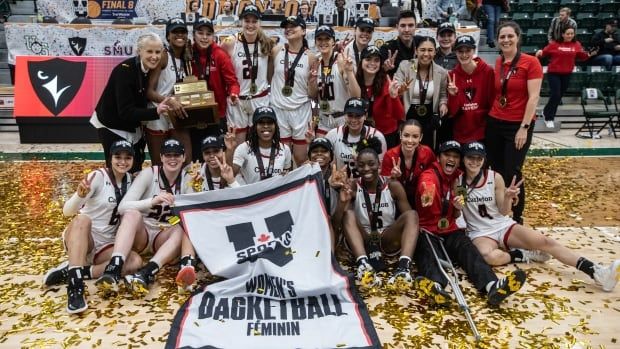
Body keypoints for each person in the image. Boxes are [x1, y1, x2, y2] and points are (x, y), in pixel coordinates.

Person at [459, 141, 620, 292]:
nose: (474, 162)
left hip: (502, 225)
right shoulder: (459, 182)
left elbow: (503, 211)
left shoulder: (495, 178)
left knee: (545, 241)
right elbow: (458, 211)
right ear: (464, 159)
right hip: (480, 232)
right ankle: (520, 255)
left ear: (484, 159)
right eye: (470, 157)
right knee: (488, 257)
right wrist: (457, 207)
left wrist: (508, 197)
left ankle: (597, 271)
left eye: (478, 158)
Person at [414, 140, 526, 306]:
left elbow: (459, 208)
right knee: (427, 252)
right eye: (447, 155)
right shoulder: (430, 174)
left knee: (468, 248)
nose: (451, 159)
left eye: (455, 156)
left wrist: (458, 208)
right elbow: (426, 184)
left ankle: (492, 286)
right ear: (439, 158)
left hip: (450, 230)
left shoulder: (458, 178)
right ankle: (436, 286)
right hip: (429, 230)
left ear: (459, 161)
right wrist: (427, 193)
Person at [43, 140, 141, 314]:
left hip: (105, 245)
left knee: (135, 261)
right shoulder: (97, 177)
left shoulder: (131, 182)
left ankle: (76, 270)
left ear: (133, 160)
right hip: (83, 237)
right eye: (118, 157)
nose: (122, 161)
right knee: (83, 219)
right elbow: (67, 211)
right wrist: (79, 197)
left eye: (127, 158)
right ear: (110, 158)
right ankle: (75, 288)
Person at [95, 139, 186, 297]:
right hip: (141, 233)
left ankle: (148, 271)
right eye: (168, 155)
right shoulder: (149, 174)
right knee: (131, 213)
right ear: (161, 157)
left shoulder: (189, 178)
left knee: (181, 227)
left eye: (177, 155)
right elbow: (123, 207)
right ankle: (114, 268)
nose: (173, 159)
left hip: (163, 236)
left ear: (184, 157)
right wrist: (152, 201)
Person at [335, 137, 420, 287]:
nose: (366, 169)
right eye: (361, 165)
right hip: (364, 238)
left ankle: (403, 268)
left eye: (371, 164)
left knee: (412, 215)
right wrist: (342, 203)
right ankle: (364, 266)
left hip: (387, 237)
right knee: (348, 214)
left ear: (379, 165)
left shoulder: (392, 185)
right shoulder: (353, 186)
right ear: (357, 168)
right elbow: (337, 224)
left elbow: (410, 222)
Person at [486, 21, 542, 225]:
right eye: (502, 36)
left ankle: (517, 217)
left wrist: (524, 128)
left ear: (518, 37)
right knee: (496, 169)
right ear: (498, 40)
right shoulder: (499, 62)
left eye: (510, 36)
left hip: (517, 125)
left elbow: (534, 98)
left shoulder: (530, 62)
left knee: (513, 171)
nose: (506, 40)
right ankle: (501, 211)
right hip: (495, 122)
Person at [90, 32, 170, 173]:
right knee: (119, 169)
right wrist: (156, 111)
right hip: (112, 125)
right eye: (149, 51)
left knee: (136, 166)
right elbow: (126, 111)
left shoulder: (148, 69)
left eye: (158, 52)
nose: (154, 56)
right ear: (139, 51)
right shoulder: (125, 71)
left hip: (133, 126)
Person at [176, 135, 240, 291]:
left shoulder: (233, 170)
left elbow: (244, 202)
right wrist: (194, 187)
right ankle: (187, 266)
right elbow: (185, 205)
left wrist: (231, 181)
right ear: (202, 155)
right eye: (207, 152)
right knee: (188, 222)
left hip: (226, 229)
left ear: (223, 151)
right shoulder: (193, 173)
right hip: (202, 227)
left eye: (216, 151)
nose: (212, 156)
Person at [189, 17, 240, 162]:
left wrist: (234, 94)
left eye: (208, 34)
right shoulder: (187, 53)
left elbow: (232, 82)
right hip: (193, 115)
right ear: (194, 34)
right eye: (200, 33)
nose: (204, 37)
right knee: (196, 157)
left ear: (213, 36)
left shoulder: (220, 55)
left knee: (217, 157)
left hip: (216, 115)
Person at [270, 16, 318, 166]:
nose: (288, 29)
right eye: (286, 27)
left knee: (301, 158)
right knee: (280, 159)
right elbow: (268, 77)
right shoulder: (277, 50)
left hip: (301, 110)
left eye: (293, 26)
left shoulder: (311, 57)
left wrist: (312, 83)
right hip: (278, 109)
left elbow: (313, 94)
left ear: (303, 31)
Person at [146, 18, 193, 166]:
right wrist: (169, 101)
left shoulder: (188, 58)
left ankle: (185, 188)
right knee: (159, 162)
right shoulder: (163, 56)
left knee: (186, 159)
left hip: (177, 111)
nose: (180, 35)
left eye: (183, 32)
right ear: (168, 36)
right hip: (158, 111)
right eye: (175, 32)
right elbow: (149, 92)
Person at [227, 5, 274, 147]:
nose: (250, 25)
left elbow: (271, 73)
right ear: (241, 22)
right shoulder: (230, 42)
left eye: (254, 21)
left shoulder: (267, 43)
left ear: (260, 23)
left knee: (261, 143)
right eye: (247, 21)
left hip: (259, 98)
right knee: (237, 144)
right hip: (238, 99)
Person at [392, 36, 448, 150]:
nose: (426, 54)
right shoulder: (406, 66)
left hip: (429, 119)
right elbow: (396, 86)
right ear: (416, 50)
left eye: (430, 50)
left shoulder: (441, 72)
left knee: (427, 151)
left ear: (435, 52)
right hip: (408, 115)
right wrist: (400, 90)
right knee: (407, 148)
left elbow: (443, 94)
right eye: (422, 50)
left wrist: (443, 104)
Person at [536, 27, 593, 129]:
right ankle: (549, 118)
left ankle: (546, 111)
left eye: (572, 34)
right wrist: (539, 53)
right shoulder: (554, 44)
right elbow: (543, 53)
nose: (570, 36)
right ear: (562, 34)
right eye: (568, 34)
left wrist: (589, 54)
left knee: (558, 97)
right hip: (554, 73)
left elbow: (582, 56)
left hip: (567, 74)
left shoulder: (576, 44)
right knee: (556, 95)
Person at [446, 35, 494, 144]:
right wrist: (453, 96)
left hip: (483, 131)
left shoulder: (487, 71)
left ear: (474, 50)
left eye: (468, 51)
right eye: (460, 51)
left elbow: (491, 101)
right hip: (460, 132)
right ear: (455, 52)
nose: (464, 55)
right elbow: (452, 112)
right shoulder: (452, 75)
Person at [314, 25, 360, 136]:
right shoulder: (315, 62)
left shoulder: (340, 61)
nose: (323, 42)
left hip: (342, 118)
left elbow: (356, 95)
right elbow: (314, 95)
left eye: (327, 39)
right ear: (315, 42)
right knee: (321, 151)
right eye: (320, 39)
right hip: (324, 118)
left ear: (334, 42)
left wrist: (349, 72)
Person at [325, 97, 387, 178]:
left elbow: (380, 168)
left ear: (365, 116)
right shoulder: (333, 135)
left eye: (358, 116)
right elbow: (324, 161)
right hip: (340, 184)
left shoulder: (377, 136)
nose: (353, 120)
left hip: (366, 185)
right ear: (344, 115)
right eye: (350, 115)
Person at [356, 46, 405, 148]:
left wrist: (393, 97)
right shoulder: (355, 81)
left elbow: (399, 115)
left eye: (376, 60)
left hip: (385, 134)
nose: (372, 63)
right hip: (360, 132)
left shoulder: (386, 83)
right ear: (361, 61)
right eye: (368, 59)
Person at [381, 120, 436, 206]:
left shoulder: (427, 152)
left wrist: (428, 190)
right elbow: (383, 185)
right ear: (400, 135)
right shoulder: (390, 155)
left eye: (415, 136)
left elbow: (432, 175)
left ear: (420, 138)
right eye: (406, 135)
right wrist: (392, 177)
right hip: (396, 199)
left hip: (419, 196)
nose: (410, 140)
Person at [232, 107, 292, 185]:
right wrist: (230, 150)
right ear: (254, 127)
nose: (266, 126)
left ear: (275, 126)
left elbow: (289, 176)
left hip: (276, 195)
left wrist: (307, 166)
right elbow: (230, 176)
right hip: (253, 195)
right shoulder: (243, 148)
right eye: (261, 122)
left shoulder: (285, 149)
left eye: (270, 122)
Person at [381, 10, 417, 77]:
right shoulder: (387, 49)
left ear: (416, 27)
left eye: (410, 25)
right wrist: (384, 68)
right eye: (403, 26)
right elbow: (378, 75)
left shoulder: (422, 44)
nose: (407, 30)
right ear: (397, 27)